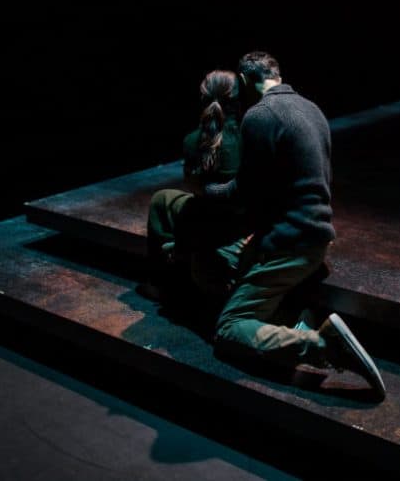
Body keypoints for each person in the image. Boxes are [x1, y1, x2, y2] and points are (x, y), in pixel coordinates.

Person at [202, 51, 386, 397]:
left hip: (290, 244)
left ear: (244, 81)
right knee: (233, 264)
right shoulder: (313, 110)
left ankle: (322, 345)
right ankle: (293, 314)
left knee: (228, 328)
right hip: (316, 238)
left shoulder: (259, 116)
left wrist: (207, 189)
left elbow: (244, 193)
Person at [146, 69, 245, 296]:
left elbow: (194, 188)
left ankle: (161, 279)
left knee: (162, 200)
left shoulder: (192, 141)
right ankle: (182, 253)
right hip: (240, 222)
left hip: (210, 221)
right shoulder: (248, 136)